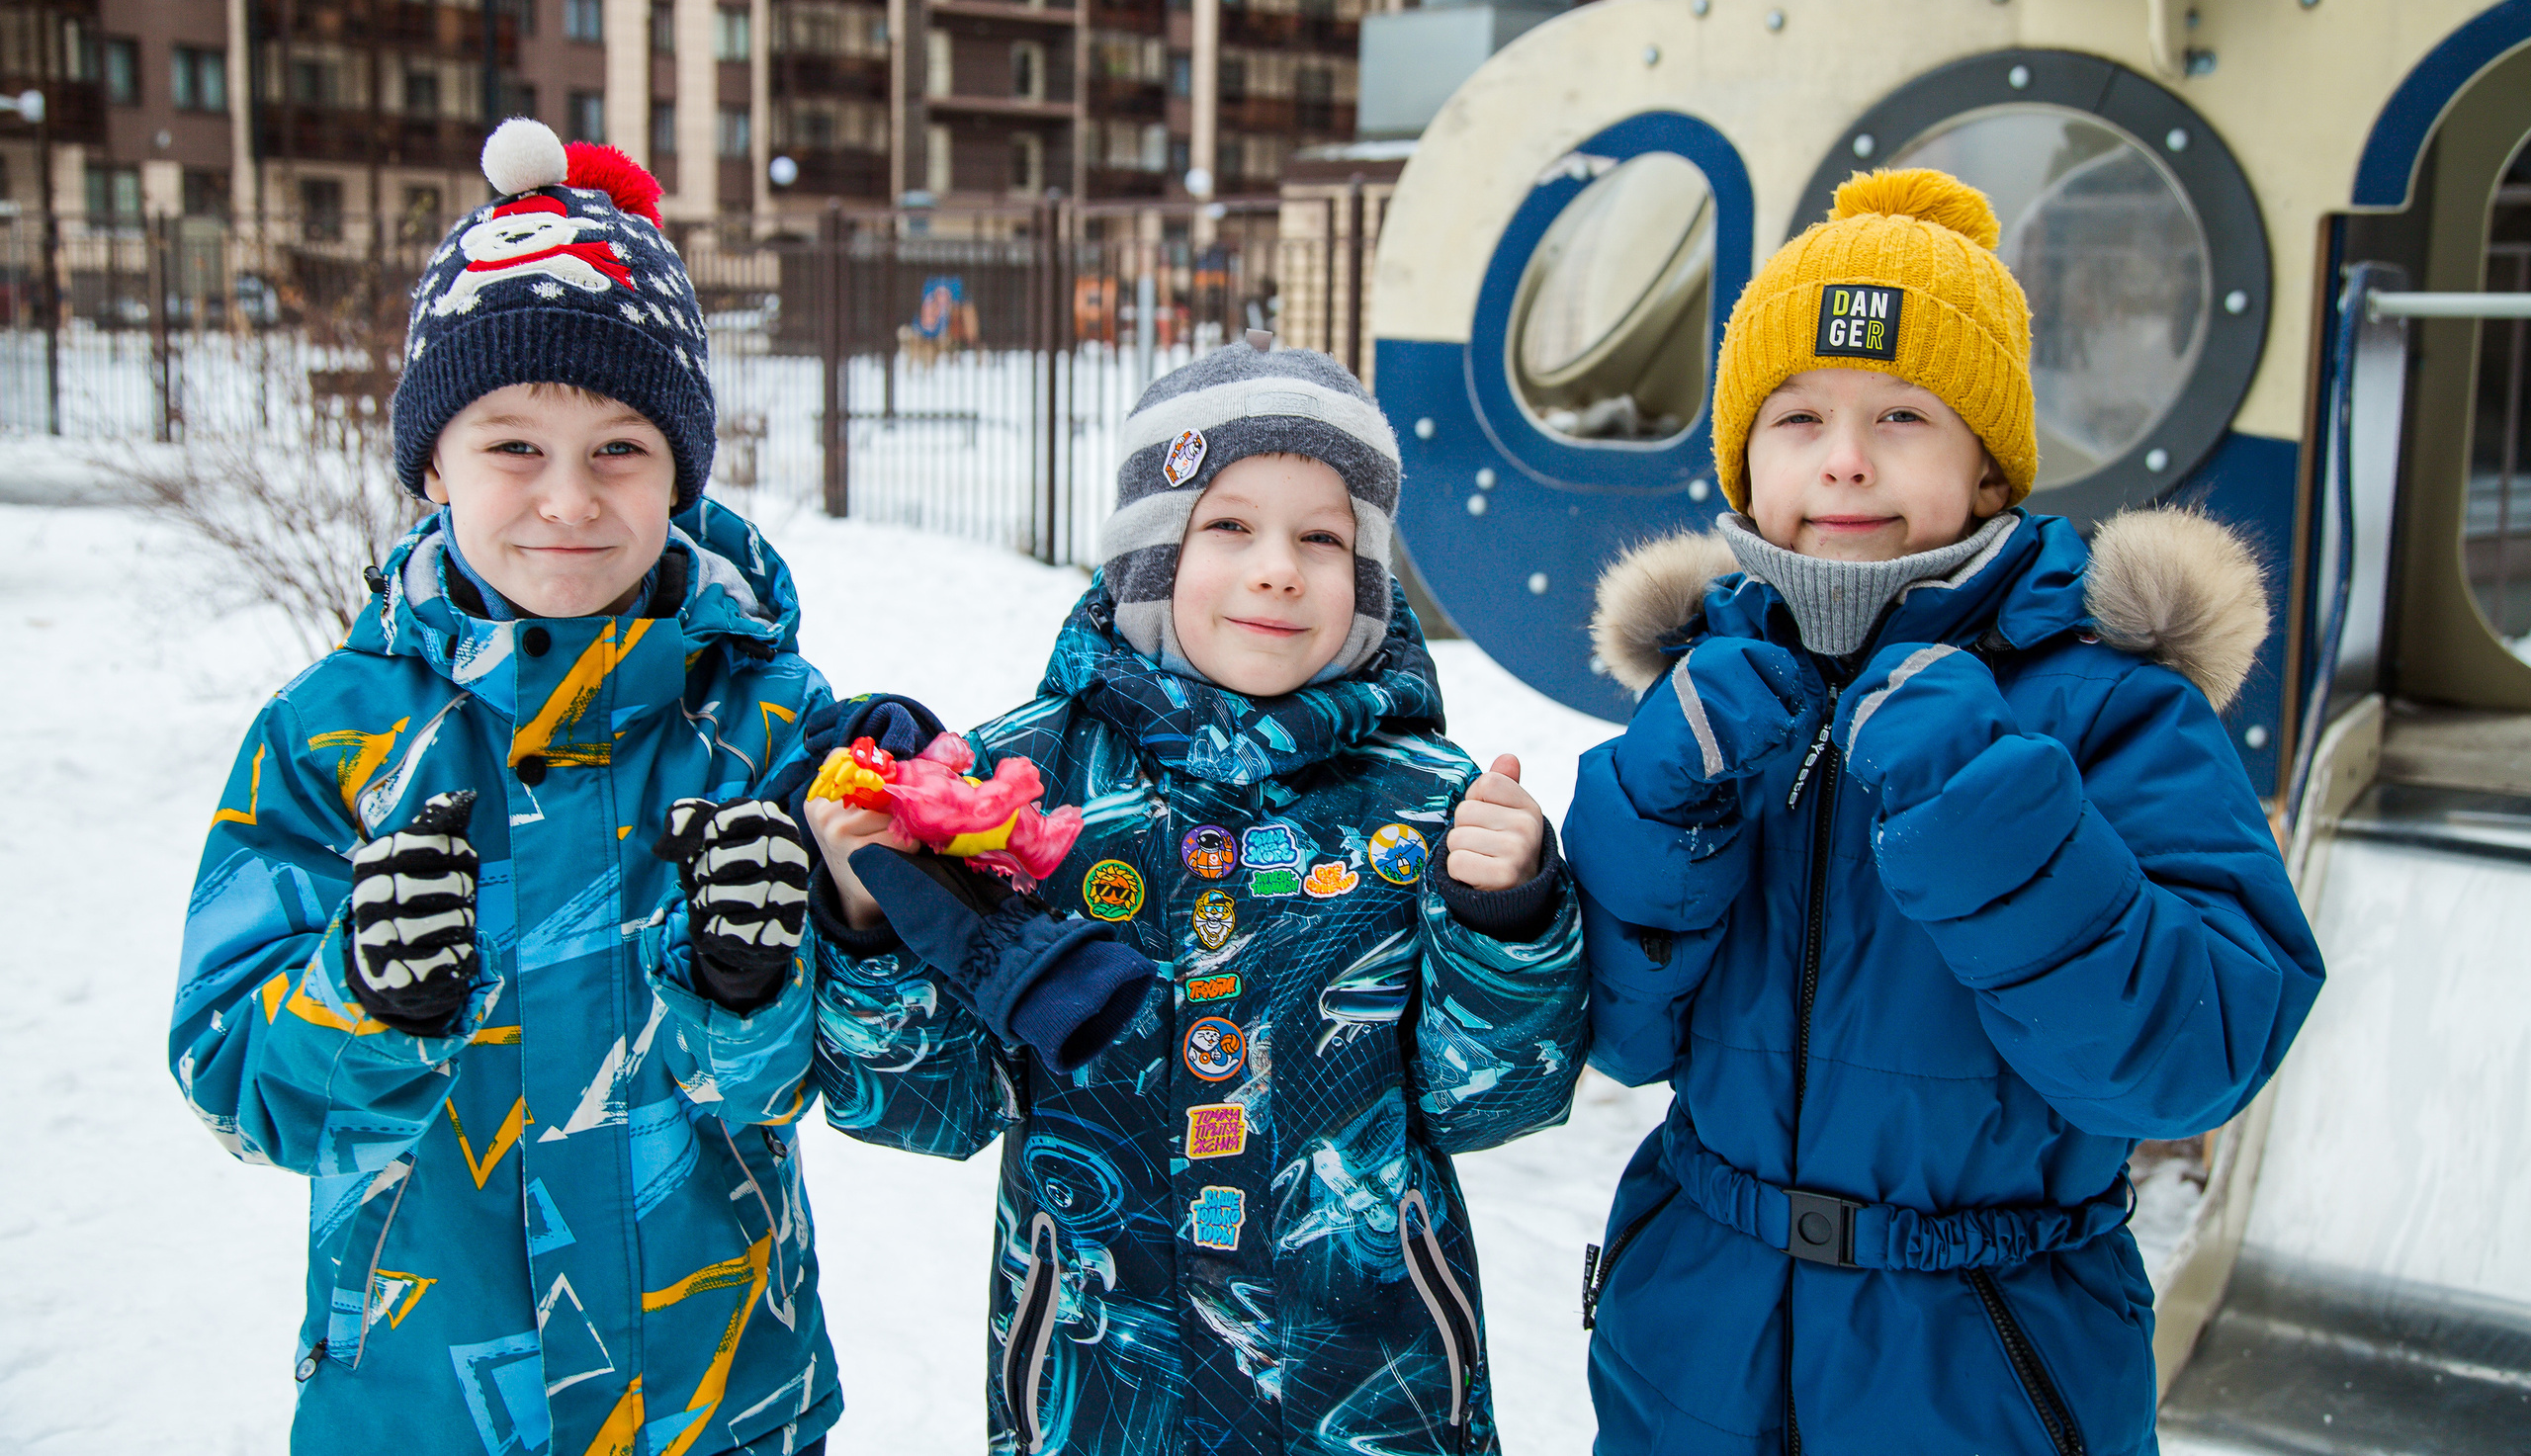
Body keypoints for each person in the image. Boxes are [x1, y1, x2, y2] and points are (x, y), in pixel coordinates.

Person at [1567, 169, 2324, 1456]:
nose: (1845, 457)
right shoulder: (1705, 698)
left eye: (1904, 414)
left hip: (1987, 1363)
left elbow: (2197, 1051)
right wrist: (1656, 809)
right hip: (1697, 1332)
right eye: (1796, 415)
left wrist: (1987, 807)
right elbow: (1620, 1040)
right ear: (1745, 460)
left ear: (1987, 467)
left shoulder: (2108, 701)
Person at [172, 120, 846, 1455]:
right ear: (433, 466)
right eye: (511, 446)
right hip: (428, 1402)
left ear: (681, 474)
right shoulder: (329, 735)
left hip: (716, 1402)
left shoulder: (771, 721)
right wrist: (359, 995)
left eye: (619, 449)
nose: (567, 499)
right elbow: (231, 1072)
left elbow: (829, 1071)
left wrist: (753, 988)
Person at [798, 342, 1591, 1454]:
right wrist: (874, 912)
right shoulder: (1016, 798)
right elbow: (927, 1112)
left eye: (1323, 537)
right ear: (1147, 550)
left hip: (1372, 1400)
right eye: (1229, 526)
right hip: (1099, 1398)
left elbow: (1488, 1104)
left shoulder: (1427, 807)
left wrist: (1503, 922)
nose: (1278, 569)